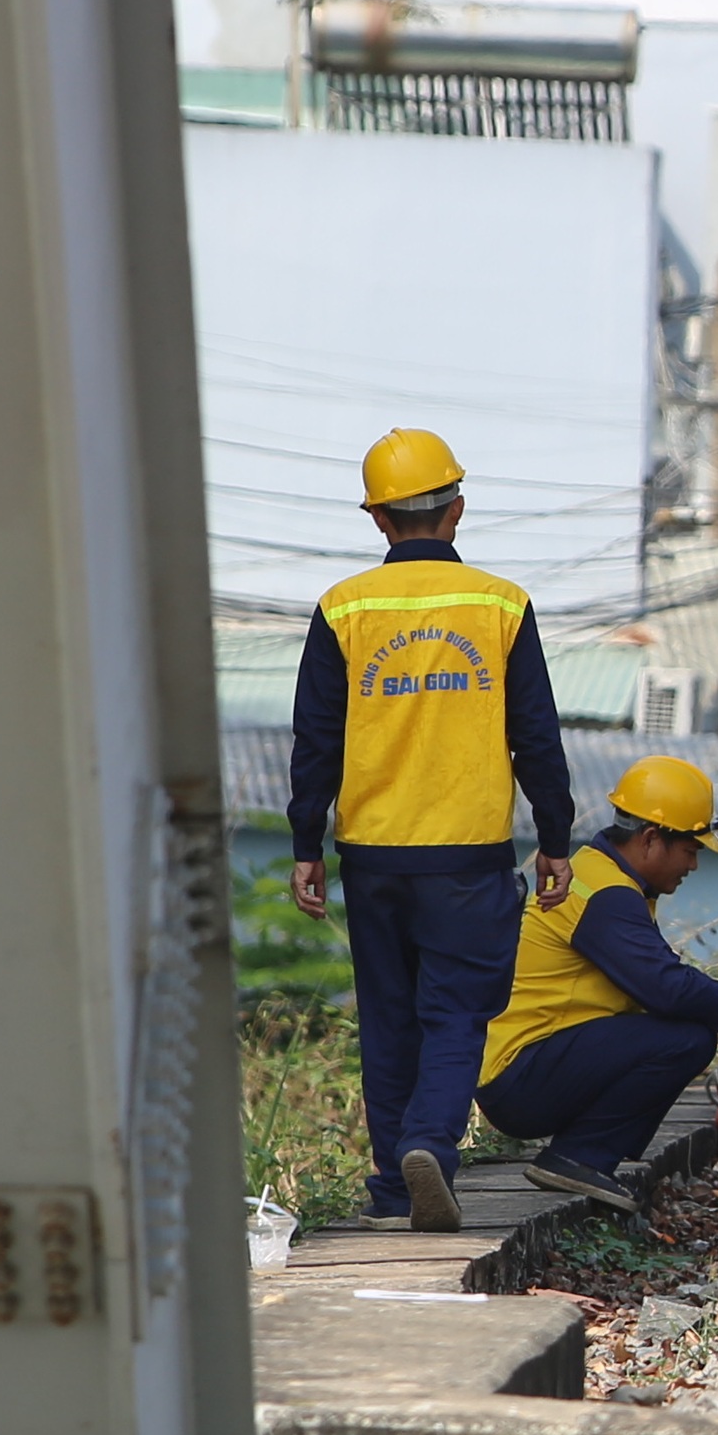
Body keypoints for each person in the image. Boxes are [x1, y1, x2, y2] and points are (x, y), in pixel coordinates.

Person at [289, 428, 575, 1231]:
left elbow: (316, 740)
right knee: (456, 1013)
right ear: (456, 508)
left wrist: (306, 846)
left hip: (371, 856)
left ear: (378, 518)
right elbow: (536, 737)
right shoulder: (501, 605)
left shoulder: (344, 607)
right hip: (468, 855)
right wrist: (555, 835)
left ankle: (391, 1190)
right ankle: (428, 1147)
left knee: (387, 1016)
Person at [473, 754, 718, 1213]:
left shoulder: (598, 876)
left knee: (677, 1026)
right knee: (686, 1038)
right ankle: (578, 1157)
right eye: (691, 849)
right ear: (652, 839)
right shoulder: (606, 897)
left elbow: (660, 983)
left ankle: (582, 1154)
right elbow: (668, 988)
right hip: (522, 1076)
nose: (694, 865)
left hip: (521, 1067)